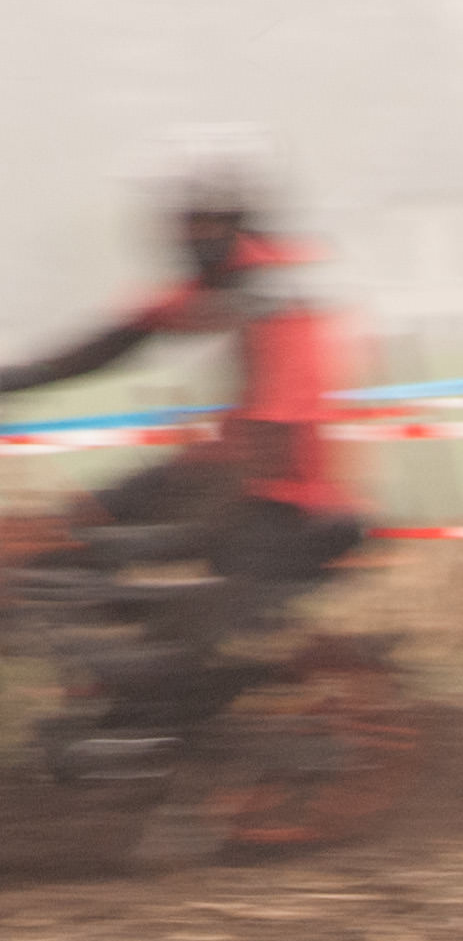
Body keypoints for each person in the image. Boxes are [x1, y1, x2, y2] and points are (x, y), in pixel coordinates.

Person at [0, 147, 363, 674]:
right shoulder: (227, 282)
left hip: (282, 500)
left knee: (166, 645)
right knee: (75, 532)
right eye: (183, 223)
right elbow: (118, 340)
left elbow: (278, 430)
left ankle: (147, 684)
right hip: (225, 471)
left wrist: (163, 537)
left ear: (237, 221)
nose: (187, 237)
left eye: (201, 223)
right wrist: (21, 379)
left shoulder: (278, 299)